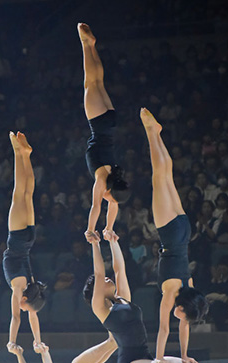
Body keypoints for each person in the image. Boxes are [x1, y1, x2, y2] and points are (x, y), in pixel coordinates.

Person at [83, 232, 210, 363]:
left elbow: (119, 270)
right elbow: (99, 273)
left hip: (146, 359)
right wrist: (95, 244)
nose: (107, 279)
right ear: (96, 293)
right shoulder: (101, 308)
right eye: (103, 281)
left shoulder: (122, 299)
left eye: (108, 279)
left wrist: (114, 242)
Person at [140, 107, 209, 363]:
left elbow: (183, 326)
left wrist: (183, 356)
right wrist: (158, 360)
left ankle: (157, 133)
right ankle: (150, 132)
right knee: (159, 177)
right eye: (184, 316)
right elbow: (164, 329)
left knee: (167, 177)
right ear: (181, 308)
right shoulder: (170, 294)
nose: (182, 320)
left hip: (183, 230)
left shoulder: (189, 288)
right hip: (169, 233)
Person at [77, 23, 130, 244]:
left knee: (98, 82)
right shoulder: (101, 180)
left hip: (110, 122)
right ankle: (85, 44)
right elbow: (96, 206)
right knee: (90, 82)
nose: (110, 202)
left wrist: (108, 229)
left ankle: (91, 45)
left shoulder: (115, 181)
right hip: (98, 123)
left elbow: (109, 209)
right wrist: (90, 230)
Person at [2, 131, 47, 354]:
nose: (23, 306)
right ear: (25, 298)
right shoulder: (19, 287)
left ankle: (27, 154)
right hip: (18, 236)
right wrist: (12, 342)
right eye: (25, 304)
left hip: (29, 238)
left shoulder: (31, 284)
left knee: (29, 194)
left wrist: (37, 340)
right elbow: (16, 317)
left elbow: (32, 315)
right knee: (19, 193)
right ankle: (18, 153)